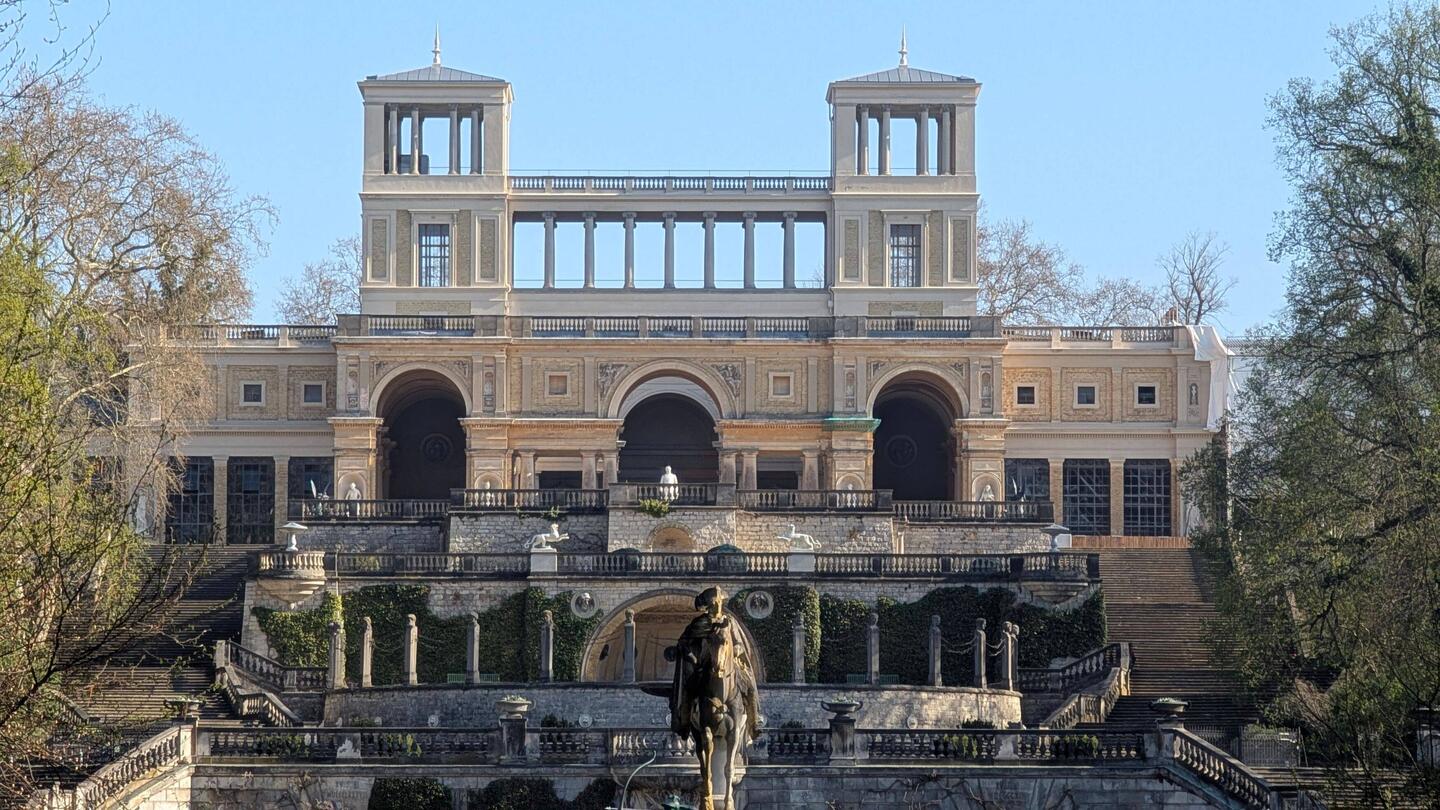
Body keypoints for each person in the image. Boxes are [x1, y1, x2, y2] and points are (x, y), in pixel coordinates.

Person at [670, 586, 761, 743]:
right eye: (713, 604)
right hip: (704, 664)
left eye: (719, 603)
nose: (717, 606)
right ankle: (684, 721)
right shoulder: (699, 623)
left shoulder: (729, 622)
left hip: (730, 662)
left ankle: (754, 723)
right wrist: (691, 656)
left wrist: (737, 647)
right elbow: (684, 642)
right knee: (688, 688)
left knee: (750, 685)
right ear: (709, 605)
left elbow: (738, 640)